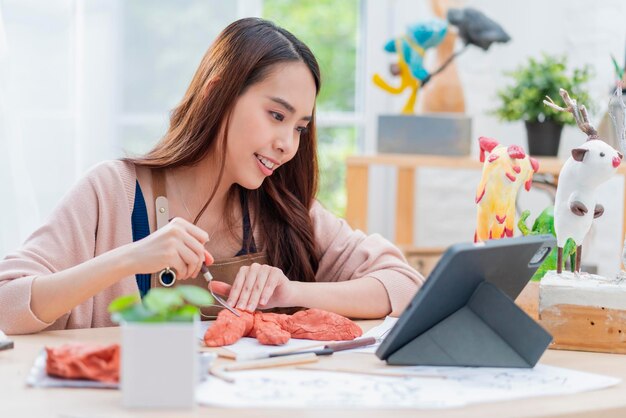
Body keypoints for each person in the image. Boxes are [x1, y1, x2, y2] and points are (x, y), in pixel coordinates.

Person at [0, 17, 424, 335]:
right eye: (276, 115)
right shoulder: (112, 191)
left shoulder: (281, 208)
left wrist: (292, 292)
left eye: (299, 127)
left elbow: (404, 284)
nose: (287, 145)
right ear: (216, 93)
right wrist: (130, 258)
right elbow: (8, 303)